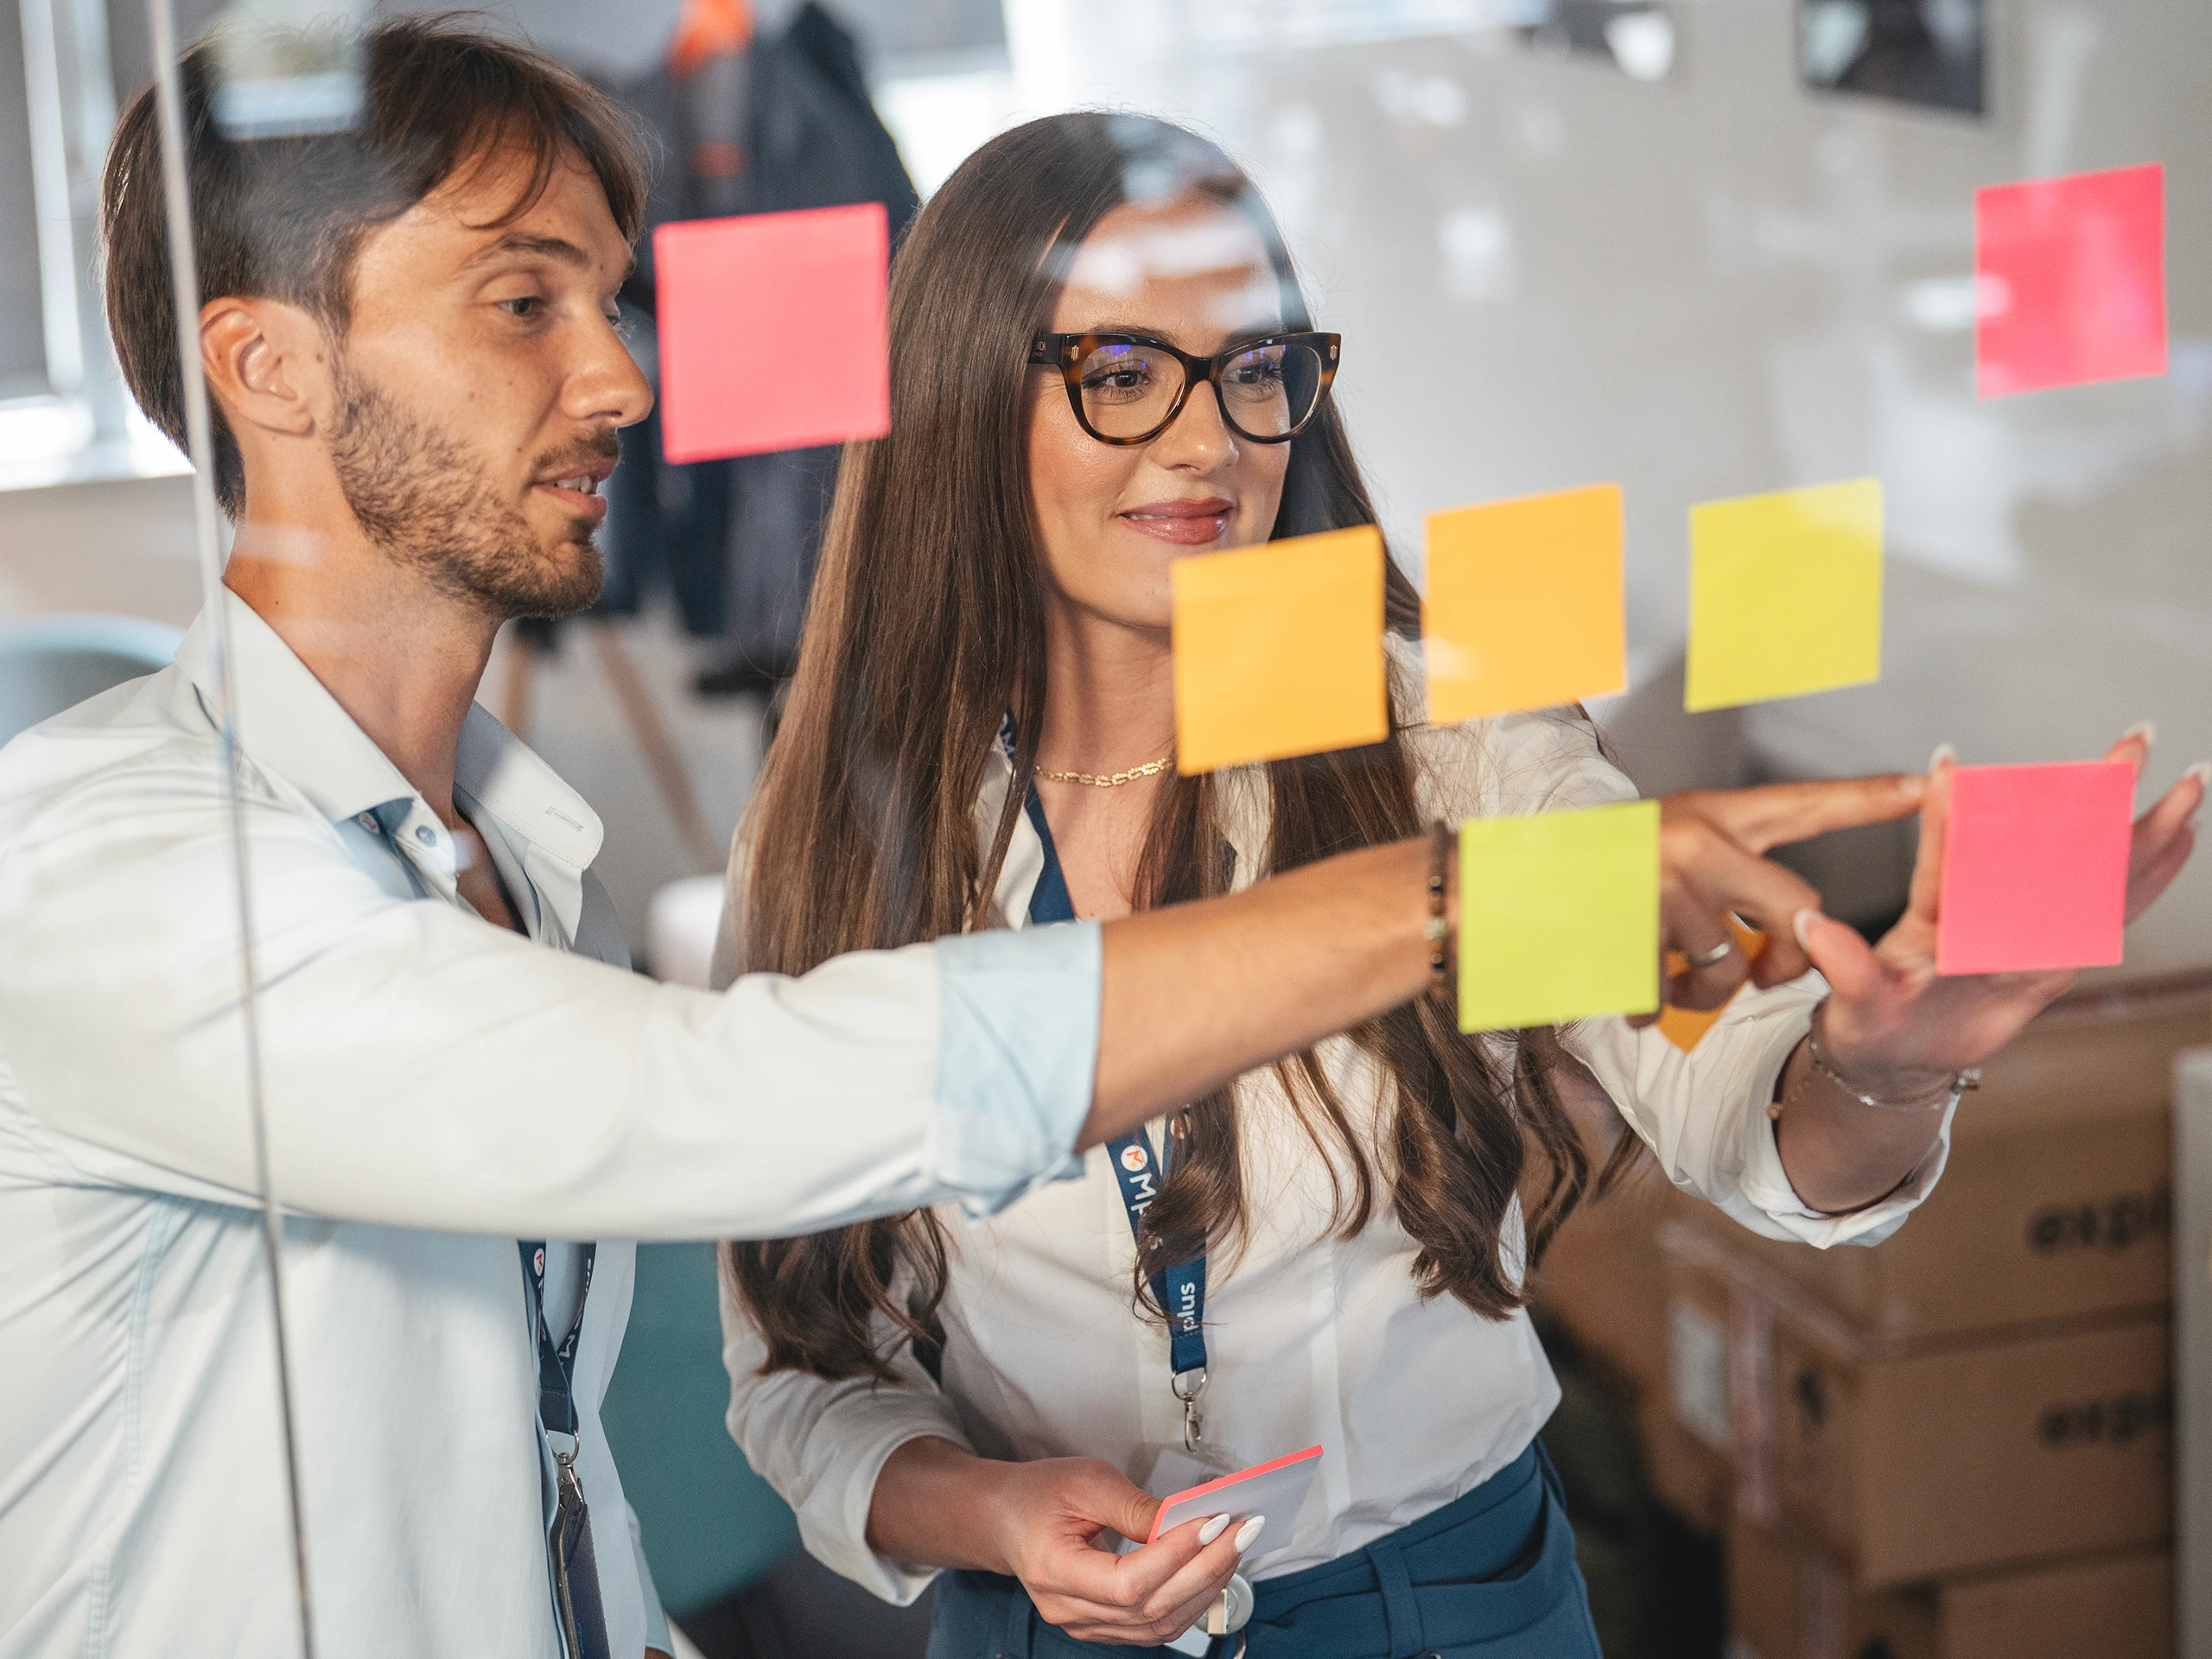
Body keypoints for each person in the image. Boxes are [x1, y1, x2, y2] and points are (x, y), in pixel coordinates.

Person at [0, 31, 1601, 1659]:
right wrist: (1426, 908)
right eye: (523, 301)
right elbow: (714, 1108)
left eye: (609, 302)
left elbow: (534, 1492)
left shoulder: (528, 872)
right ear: (269, 367)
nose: (627, 377)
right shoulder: (107, 867)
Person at [713, 113, 2202, 1658]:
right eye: (1123, 374)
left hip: (1443, 1613)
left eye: (1256, 367)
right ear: (967, 399)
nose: (1211, 439)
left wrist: (1882, 1073)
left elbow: (1718, 1093)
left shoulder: (1440, 746)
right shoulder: (840, 846)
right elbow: (800, 1374)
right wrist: (996, 1513)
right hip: (1043, 1630)